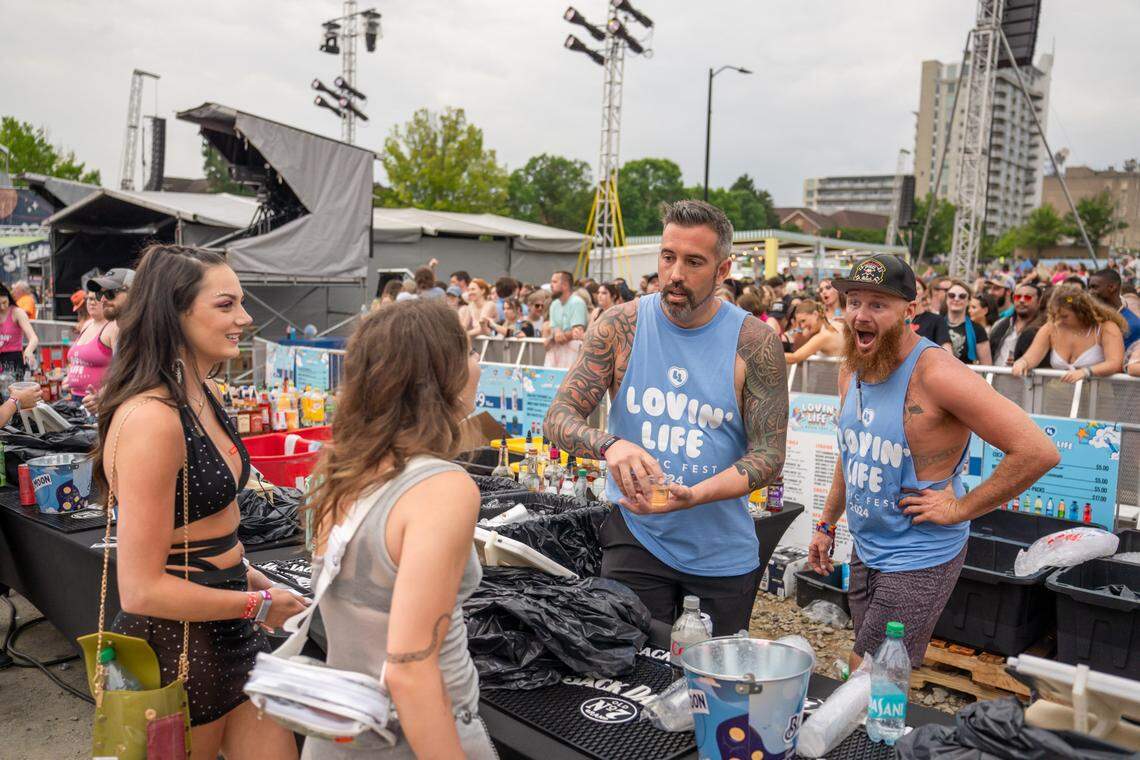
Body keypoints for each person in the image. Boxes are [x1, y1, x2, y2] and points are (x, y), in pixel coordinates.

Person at [95, 244, 308, 758]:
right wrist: (256, 604)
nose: (245, 316)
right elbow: (142, 590)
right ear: (175, 310)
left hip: (228, 630)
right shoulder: (152, 418)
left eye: (241, 302)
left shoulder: (205, 394)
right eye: (225, 304)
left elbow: (207, 525)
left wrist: (248, 575)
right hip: (180, 648)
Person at [544, 200, 788, 635]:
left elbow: (769, 456)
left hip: (720, 550)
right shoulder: (621, 326)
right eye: (668, 256)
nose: (675, 273)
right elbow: (559, 417)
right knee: (625, 673)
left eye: (694, 261)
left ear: (723, 269)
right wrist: (611, 445)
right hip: (637, 534)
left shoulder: (754, 341)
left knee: (712, 687)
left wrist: (695, 494)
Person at [810, 255, 1058, 669]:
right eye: (853, 301)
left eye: (877, 304)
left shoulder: (938, 374)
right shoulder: (852, 366)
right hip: (867, 548)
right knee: (877, 670)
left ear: (910, 312)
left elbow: (1037, 451)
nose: (860, 315)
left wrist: (960, 508)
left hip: (919, 554)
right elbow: (851, 450)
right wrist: (825, 522)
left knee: (867, 670)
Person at [302, 300, 495, 759]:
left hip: (339, 735)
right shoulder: (442, 489)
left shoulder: (339, 470)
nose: (478, 365)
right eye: (468, 352)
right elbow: (410, 667)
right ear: (440, 374)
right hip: (417, 735)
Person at [1012, 284, 1127, 383]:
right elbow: (1031, 356)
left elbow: (1115, 363)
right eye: (1055, 315)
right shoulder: (1051, 328)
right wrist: (1022, 363)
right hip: (1058, 398)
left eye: (1064, 316)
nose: (1058, 321)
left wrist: (1086, 372)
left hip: (1098, 397)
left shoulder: (1106, 328)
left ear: (1081, 312)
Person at [63, 290, 112, 400]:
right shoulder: (86, 325)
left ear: (107, 301)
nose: (92, 302)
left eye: (97, 298)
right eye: (89, 298)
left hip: (98, 401)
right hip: (75, 396)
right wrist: (69, 377)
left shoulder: (113, 327)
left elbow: (123, 369)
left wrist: (100, 396)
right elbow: (77, 358)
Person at [988, 283, 1047, 367]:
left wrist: (1024, 362)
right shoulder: (999, 324)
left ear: (1039, 301)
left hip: (1029, 378)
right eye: (1018, 297)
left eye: (1027, 297)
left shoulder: (1045, 328)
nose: (1022, 300)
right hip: (997, 377)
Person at [937, 280, 992, 365]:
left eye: (962, 296)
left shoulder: (978, 329)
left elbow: (987, 366)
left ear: (969, 301)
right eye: (952, 295)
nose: (956, 299)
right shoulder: (935, 325)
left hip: (966, 376)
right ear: (946, 298)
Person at [543, 270, 589, 369]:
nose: (551, 285)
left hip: (573, 354)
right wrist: (555, 333)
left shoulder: (577, 303)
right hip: (557, 354)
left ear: (565, 285)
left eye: (554, 282)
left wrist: (559, 335)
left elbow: (577, 332)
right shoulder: (554, 304)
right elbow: (554, 328)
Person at [1088, 268, 1140, 350]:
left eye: (1095, 287)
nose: (1090, 292)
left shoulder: (1133, 324)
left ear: (1112, 287)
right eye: (1089, 288)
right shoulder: (1090, 317)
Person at [785, 300, 845, 365]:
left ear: (815, 314)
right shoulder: (833, 324)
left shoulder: (824, 336)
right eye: (799, 323)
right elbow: (798, 346)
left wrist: (773, 354)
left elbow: (794, 358)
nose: (802, 326)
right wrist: (799, 330)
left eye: (803, 321)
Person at [0, 282, 40, 376]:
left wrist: (29, 350)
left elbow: (34, 338)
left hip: (14, 359)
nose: (2, 307)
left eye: (4, 302)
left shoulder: (17, 312)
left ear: (8, 297)